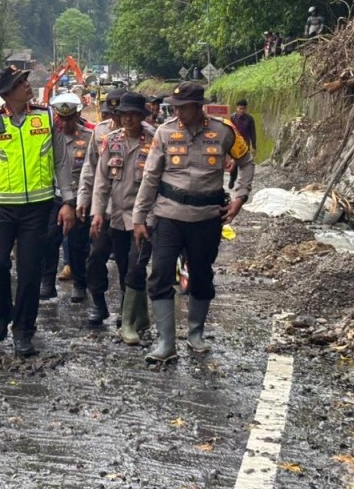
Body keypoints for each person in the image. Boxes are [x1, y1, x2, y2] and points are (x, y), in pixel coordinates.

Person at [133, 82, 254, 364]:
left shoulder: (224, 131)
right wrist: (140, 217)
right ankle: (166, 342)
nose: (178, 112)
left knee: (201, 274)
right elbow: (150, 177)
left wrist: (240, 196)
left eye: (184, 107)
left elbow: (246, 161)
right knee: (161, 273)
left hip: (207, 218)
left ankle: (196, 333)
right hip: (168, 216)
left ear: (199, 106)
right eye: (175, 107)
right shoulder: (164, 132)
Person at [0, 65, 77, 357]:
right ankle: (3, 313)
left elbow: (62, 163)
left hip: (38, 209)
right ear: (6, 93)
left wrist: (68, 201)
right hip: (2, 207)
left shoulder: (46, 117)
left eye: (26, 80)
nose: (28, 85)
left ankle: (24, 331)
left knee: (29, 272)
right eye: (20, 82)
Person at [89, 92, 156, 345]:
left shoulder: (154, 141)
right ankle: (140, 316)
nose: (128, 119)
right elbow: (101, 180)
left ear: (141, 116)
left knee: (136, 267)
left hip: (145, 217)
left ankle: (127, 322)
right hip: (117, 216)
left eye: (134, 114)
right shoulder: (110, 141)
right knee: (124, 267)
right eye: (124, 114)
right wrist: (98, 213)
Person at [77, 88, 129, 324]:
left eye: (121, 113)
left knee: (127, 261)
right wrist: (83, 200)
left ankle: (127, 309)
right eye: (112, 113)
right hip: (104, 208)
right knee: (95, 258)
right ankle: (98, 303)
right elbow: (90, 170)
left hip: (130, 210)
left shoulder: (147, 135)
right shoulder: (100, 132)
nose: (116, 119)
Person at [39, 92, 93, 303]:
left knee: (78, 243)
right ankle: (47, 282)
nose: (64, 122)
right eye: (60, 118)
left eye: (69, 118)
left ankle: (80, 284)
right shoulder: (48, 138)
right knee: (49, 239)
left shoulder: (89, 138)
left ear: (77, 115)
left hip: (80, 198)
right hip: (53, 197)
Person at [227, 99, 257, 191]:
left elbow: (253, 133)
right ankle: (232, 179)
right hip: (233, 145)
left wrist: (254, 146)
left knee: (244, 164)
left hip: (245, 145)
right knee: (234, 164)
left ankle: (243, 184)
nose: (241, 111)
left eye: (243, 109)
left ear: (246, 109)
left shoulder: (250, 119)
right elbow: (228, 131)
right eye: (240, 108)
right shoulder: (232, 118)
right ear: (236, 108)